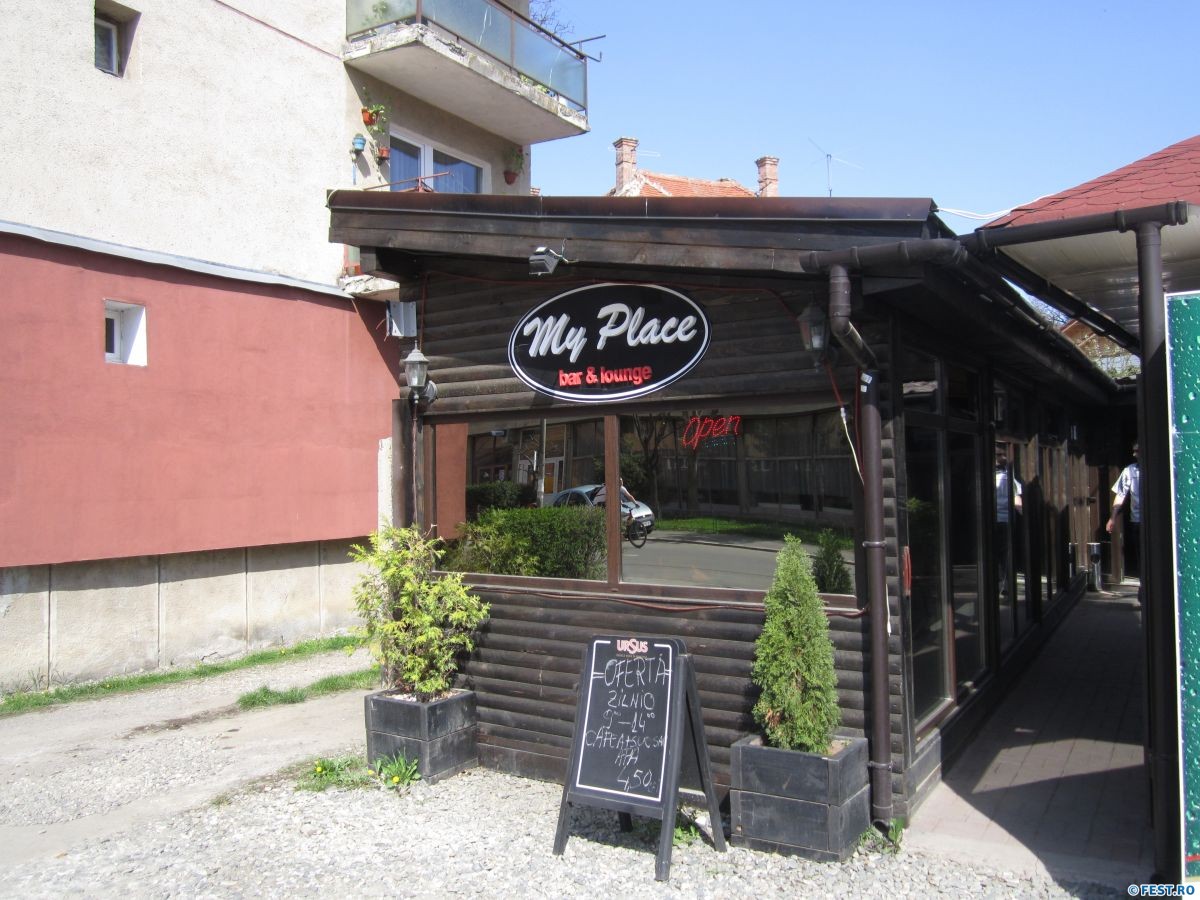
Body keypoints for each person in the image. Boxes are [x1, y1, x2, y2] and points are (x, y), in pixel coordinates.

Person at [1106, 443, 1141, 577]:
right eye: (1133, 451)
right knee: (1140, 553)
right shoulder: (1129, 470)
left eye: (1137, 451)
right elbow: (1120, 495)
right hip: (1137, 519)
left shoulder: (1157, 468)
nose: (1134, 454)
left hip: (1155, 519)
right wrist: (1112, 518)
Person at [994, 445, 1022, 596]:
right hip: (1004, 520)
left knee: (997, 554)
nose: (1004, 458)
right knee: (1005, 554)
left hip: (994, 520)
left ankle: (999, 584)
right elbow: (1018, 502)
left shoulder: (984, 476)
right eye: (1000, 455)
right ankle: (1005, 585)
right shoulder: (1008, 477)